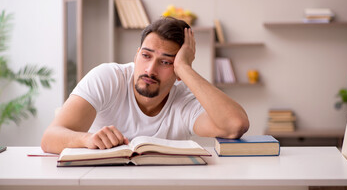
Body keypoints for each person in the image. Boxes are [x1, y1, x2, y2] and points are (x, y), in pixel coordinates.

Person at [41, 17, 249, 154]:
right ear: (136, 54)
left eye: (166, 62)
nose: (150, 69)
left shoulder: (184, 100)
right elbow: (50, 138)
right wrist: (87, 139)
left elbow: (235, 125)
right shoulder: (108, 78)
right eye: (146, 56)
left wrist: (185, 69)